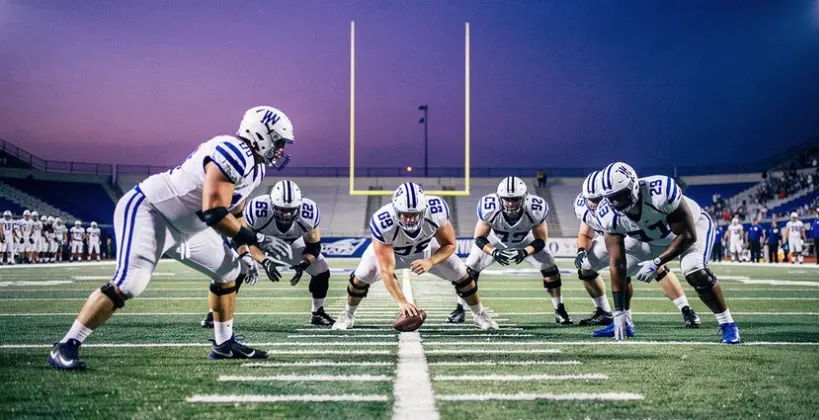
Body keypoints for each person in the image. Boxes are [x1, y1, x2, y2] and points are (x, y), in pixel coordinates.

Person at [48, 106, 295, 370]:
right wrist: (257, 237)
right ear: (261, 133)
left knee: (230, 270)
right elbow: (214, 212)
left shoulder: (255, 169)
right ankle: (66, 344)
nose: (280, 149)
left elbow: (235, 214)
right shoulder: (232, 151)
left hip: (188, 228)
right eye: (278, 141)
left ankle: (224, 345)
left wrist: (247, 249)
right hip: (152, 211)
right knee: (130, 283)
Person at [596, 162, 740, 344]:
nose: (616, 202)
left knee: (694, 269)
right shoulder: (607, 214)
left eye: (621, 195)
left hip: (692, 227)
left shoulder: (660, 192)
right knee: (624, 269)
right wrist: (618, 311)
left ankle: (728, 324)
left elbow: (687, 235)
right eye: (611, 198)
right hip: (652, 238)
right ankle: (625, 321)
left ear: (633, 185)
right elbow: (617, 262)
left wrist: (656, 263)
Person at [332, 183, 498, 330]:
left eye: (415, 214)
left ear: (424, 210)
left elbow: (450, 245)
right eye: (405, 214)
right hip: (393, 252)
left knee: (462, 273)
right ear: (396, 210)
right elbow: (386, 272)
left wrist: (430, 261)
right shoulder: (383, 222)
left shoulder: (436, 211)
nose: (410, 219)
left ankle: (479, 314)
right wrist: (403, 303)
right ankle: (348, 314)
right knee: (362, 275)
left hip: (425, 249)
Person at [573, 171, 700, 331]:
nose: (594, 204)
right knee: (586, 266)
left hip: (632, 236)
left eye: (599, 199)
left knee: (653, 267)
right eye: (591, 200)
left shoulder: (619, 205)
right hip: (612, 237)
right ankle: (605, 312)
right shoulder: (587, 209)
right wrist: (580, 250)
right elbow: (585, 233)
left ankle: (685, 308)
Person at [202, 180, 334, 328]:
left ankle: (317, 313)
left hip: (288, 246)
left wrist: (304, 264)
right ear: (272, 205)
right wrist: (265, 261)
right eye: (282, 209)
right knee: (237, 268)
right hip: (257, 242)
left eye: (291, 209)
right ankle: (215, 314)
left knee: (321, 267)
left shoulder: (309, 213)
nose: (287, 214)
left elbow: (314, 247)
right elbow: (242, 239)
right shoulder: (257, 210)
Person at [447, 176, 571, 325]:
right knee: (468, 271)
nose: (511, 203)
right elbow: (479, 238)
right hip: (496, 240)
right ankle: (460, 308)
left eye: (516, 199)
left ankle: (559, 309)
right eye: (507, 199)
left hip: (525, 240)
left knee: (550, 267)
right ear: (500, 198)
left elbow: (541, 240)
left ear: (524, 198)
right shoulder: (489, 207)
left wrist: (525, 252)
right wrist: (494, 252)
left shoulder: (535, 208)